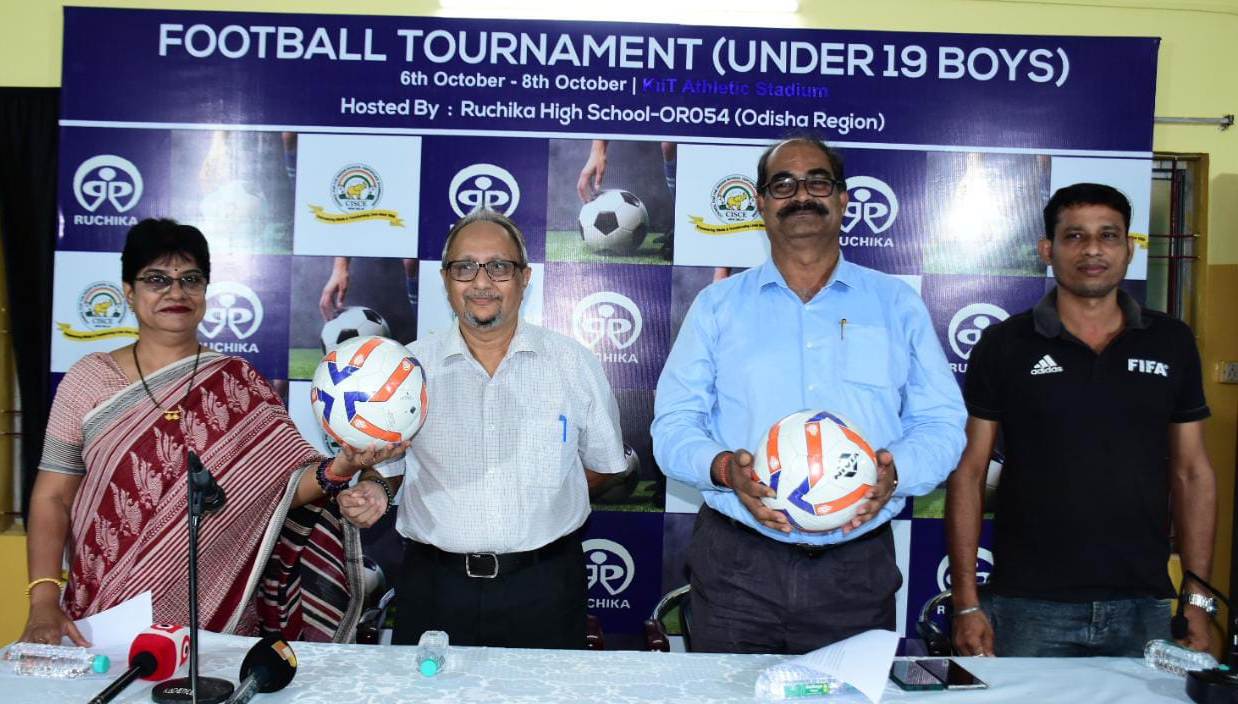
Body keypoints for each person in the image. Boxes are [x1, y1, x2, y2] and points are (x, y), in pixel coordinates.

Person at [21, 218, 404, 645]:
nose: (176, 292)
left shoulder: (239, 382)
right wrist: (43, 600)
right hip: (102, 618)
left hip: (219, 625)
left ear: (205, 290)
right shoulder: (88, 380)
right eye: (157, 279)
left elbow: (279, 490)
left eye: (190, 279)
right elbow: (52, 496)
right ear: (129, 291)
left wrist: (343, 466)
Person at [652, 136, 966, 654]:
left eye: (817, 182)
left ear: (842, 199)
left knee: (848, 693)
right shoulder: (716, 307)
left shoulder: (896, 304)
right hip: (737, 570)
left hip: (855, 571)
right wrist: (725, 469)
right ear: (760, 203)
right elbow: (673, 424)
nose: (801, 195)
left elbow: (941, 422)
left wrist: (896, 472)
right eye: (783, 185)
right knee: (727, 695)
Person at [946, 183, 1217, 657]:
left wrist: (1197, 599)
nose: (1093, 249)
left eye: (1108, 235)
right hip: (1028, 604)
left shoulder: (1171, 341)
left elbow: (1192, 472)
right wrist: (967, 603)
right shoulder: (1005, 344)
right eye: (1074, 236)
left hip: (1145, 602)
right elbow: (969, 474)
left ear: (1128, 250)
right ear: (1047, 250)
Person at [337, 209, 627, 649]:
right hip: (434, 589)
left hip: (546, 588)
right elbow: (387, 471)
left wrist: (542, 503)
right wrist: (376, 490)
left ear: (525, 277)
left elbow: (605, 467)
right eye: (465, 267)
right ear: (445, 279)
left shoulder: (573, 364)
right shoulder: (406, 370)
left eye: (499, 266)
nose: (481, 282)